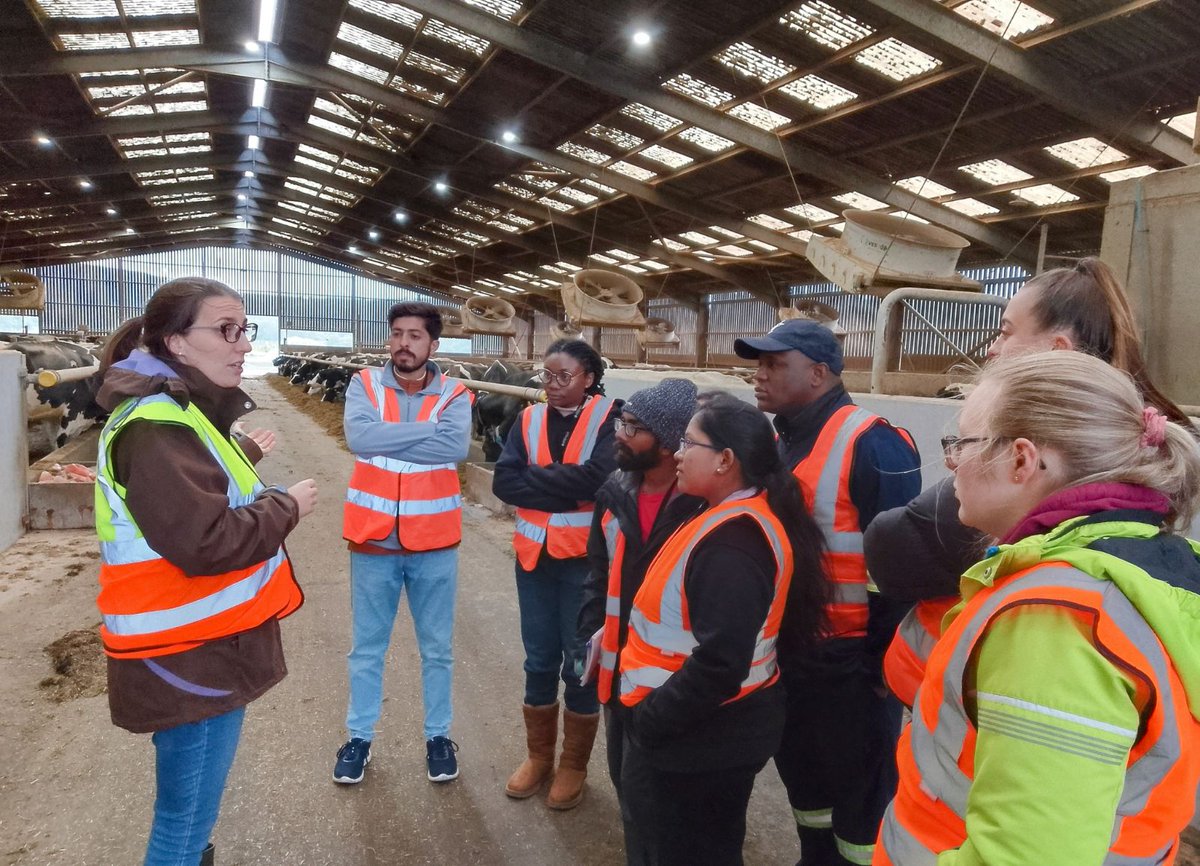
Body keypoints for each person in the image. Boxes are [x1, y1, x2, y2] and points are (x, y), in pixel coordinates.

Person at [877, 351, 1200, 865]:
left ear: (1021, 460)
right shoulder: (1151, 567)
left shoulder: (1057, 618)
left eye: (963, 442)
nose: (953, 461)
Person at [866, 257, 1196, 709]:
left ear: (1023, 460)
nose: (991, 349)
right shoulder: (1131, 490)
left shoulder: (1048, 611)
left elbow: (894, 544)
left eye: (1005, 332)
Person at [94, 277, 317, 866]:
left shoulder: (182, 414)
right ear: (176, 342)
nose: (242, 344)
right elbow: (206, 540)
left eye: (245, 330)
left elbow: (193, 505)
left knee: (190, 815)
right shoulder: (156, 426)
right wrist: (285, 504)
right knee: (182, 825)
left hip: (201, 645)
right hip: (185, 654)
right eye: (226, 330)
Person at [733, 318, 921, 866]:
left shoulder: (874, 442)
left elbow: (901, 568)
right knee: (804, 777)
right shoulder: (777, 440)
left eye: (773, 365)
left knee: (860, 790)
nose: (759, 376)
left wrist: (884, 662)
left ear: (817, 373)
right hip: (788, 651)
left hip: (852, 662)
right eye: (758, 365)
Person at [617, 395, 830, 866]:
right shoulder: (723, 516)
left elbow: (721, 663)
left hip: (696, 739)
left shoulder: (733, 543)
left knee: (685, 850)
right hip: (703, 732)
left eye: (688, 443)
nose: (676, 453)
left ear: (725, 460)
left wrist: (652, 722)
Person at [333, 302, 472, 786]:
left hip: (434, 542)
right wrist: (423, 431)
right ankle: (358, 738)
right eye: (397, 333)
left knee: (436, 648)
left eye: (415, 335)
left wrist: (385, 438)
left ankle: (438, 736)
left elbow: (453, 448)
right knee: (367, 648)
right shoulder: (363, 384)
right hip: (373, 540)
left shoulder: (455, 392)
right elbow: (358, 437)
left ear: (434, 345)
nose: (403, 343)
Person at [576, 378, 706, 864]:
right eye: (621, 422)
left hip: (678, 683)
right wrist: (586, 635)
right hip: (619, 673)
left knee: (673, 806)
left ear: (671, 440)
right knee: (628, 789)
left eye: (634, 426)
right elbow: (597, 572)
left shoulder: (701, 505)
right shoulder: (614, 491)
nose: (620, 433)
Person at [492, 339, 620, 809]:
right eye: (547, 375)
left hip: (586, 565)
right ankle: (539, 756)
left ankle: (573, 765)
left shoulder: (610, 418)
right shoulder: (527, 419)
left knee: (580, 663)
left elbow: (601, 480)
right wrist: (567, 484)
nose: (552, 384)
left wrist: (538, 480)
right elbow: (505, 481)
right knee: (538, 658)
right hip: (535, 561)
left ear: (588, 376)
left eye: (563, 376)